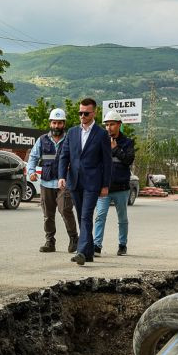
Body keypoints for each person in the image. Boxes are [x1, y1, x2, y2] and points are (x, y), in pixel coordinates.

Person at [57, 98, 112, 266]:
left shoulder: (101, 134)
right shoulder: (72, 132)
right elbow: (64, 156)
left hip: (92, 183)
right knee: (81, 216)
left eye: (86, 113)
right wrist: (61, 176)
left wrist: (105, 185)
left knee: (86, 216)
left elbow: (107, 162)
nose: (82, 116)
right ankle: (88, 252)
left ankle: (81, 251)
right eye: (80, 113)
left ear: (93, 113)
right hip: (74, 182)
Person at [26, 108, 78, 254]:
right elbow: (33, 158)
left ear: (64, 124)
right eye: (54, 122)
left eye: (59, 123)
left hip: (64, 184)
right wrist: (31, 172)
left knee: (65, 210)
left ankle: (74, 239)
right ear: (50, 123)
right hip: (46, 183)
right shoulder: (42, 140)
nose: (56, 126)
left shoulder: (70, 140)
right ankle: (50, 242)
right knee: (48, 215)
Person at [92, 111, 135, 256]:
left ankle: (122, 245)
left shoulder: (128, 142)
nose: (109, 128)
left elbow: (128, 160)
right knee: (100, 216)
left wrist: (115, 149)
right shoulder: (101, 141)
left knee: (122, 218)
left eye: (112, 124)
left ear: (119, 125)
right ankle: (96, 246)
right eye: (107, 125)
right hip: (104, 188)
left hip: (121, 188)